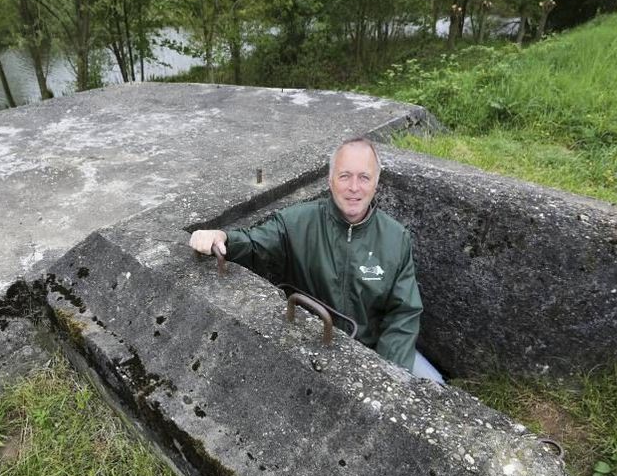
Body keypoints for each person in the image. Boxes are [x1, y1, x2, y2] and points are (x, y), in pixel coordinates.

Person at [188, 137, 444, 383]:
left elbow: (404, 314)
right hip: (319, 344)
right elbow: (254, 243)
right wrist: (220, 237)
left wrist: (386, 371)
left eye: (364, 177)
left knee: (435, 388)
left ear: (376, 183)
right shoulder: (296, 222)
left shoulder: (396, 238)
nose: (354, 187)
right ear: (330, 180)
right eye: (345, 176)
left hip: (377, 349)